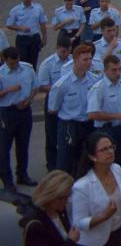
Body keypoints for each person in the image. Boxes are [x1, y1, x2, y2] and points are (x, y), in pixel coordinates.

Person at [71, 132, 121, 246]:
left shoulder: (117, 169)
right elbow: (79, 223)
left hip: (118, 234)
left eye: (111, 147)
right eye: (104, 149)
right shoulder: (82, 186)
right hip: (96, 241)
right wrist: (104, 216)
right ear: (92, 156)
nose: (110, 151)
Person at [49, 44, 100, 175]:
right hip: (69, 126)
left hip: (88, 125)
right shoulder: (62, 85)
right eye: (85, 59)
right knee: (65, 163)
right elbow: (53, 109)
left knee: (86, 163)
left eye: (90, 59)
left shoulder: (94, 80)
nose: (89, 62)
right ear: (75, 60)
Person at [86, 55, 121, 182]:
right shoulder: (99, 88)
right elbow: (92, 114)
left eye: (119, 69)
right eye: (114, 70)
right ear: (105, 71)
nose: (118, 73)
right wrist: (117, 116)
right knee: (110, 166)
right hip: (107, 131)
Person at [0, 46, 37, 191]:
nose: (15, 65)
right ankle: (7, 180)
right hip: (7, 112)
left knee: (23, 145)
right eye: (11, 63)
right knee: (4, 148)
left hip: (24, 110)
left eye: (16, 61)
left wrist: (29, 100)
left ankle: (22, 174)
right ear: (5, 59)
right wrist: (9, 90)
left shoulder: (27, 69)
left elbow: (35, 86)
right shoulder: (1, 73)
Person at [37, 34, 72, 171]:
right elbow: (42, 86)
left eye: (68, 51)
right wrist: (58, 88)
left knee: (68, 133)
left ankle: (66, 164)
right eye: (63, 51)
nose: (65, 54)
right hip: (53, 101)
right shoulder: (48, 64)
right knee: (52, 134)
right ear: (57, 48)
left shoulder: (72, 61)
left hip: (68, 101)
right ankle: (51, 165)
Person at [19, 169, 79, 245]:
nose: (65, 201)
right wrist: (71, 241)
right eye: (61, 198)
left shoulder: (59, 210)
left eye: (67, 197)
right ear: (49, 196)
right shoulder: (36, 226)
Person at [6, 0, 47, 69]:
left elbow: (42, 23)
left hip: (35, 38)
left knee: (33, 62)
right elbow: (9, 25)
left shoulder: (38, 8)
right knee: (22, 63)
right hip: (22, 39)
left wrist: (44, 37)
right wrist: (20, 28)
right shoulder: (15, 10)